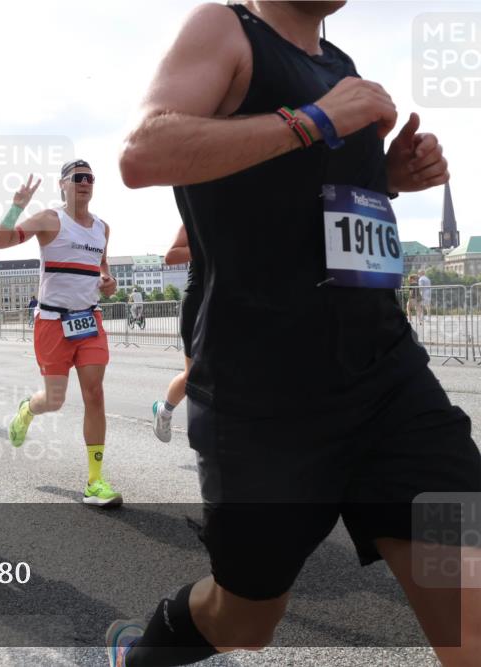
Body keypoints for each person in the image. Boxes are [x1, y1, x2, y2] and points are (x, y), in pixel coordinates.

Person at [109, 2, 479, 665]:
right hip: (265, 396)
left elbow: (315, 200)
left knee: (472, 612)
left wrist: (389, 176)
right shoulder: (226, 30)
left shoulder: (339, 66)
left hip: (389, 377)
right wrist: (316, 120)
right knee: (247, 617)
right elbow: (143, 153)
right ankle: (141, 655)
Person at [0, 161, 122, 508]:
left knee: (94, 394)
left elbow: (103, 272)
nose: (85, 183)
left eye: (90, 178)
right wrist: (16, 206)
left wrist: (109, 283)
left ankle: (95, 481)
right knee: (54, 400)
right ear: (62, 185)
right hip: (52, 323)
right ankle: (27, 410)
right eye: (78, 178)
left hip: (89, 321)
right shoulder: (51, 219)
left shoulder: (102, 228)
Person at [151, 224, 198, 443]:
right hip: (201, 299)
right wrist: (210, 244)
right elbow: (171, 256)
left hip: (238, 299)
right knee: (194, 374)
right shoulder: (200, 207)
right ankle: (165, 411)